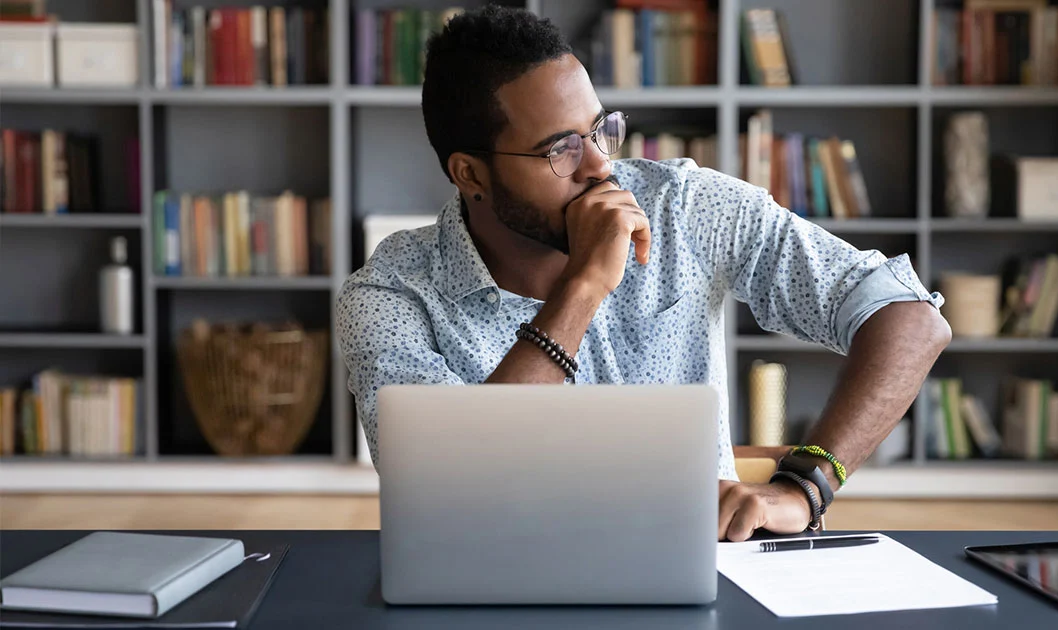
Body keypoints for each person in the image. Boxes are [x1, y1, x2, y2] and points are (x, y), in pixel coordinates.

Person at [335, 6, 951, 542]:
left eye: (601, 129)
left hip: (702, 563)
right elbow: (442, 490)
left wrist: (808, 483)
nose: (603, 167)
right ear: (470, 174)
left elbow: (911, 318)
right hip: (502, 584)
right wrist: (583, 287)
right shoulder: (390, 295)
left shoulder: (683, 206)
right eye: (560, 150)